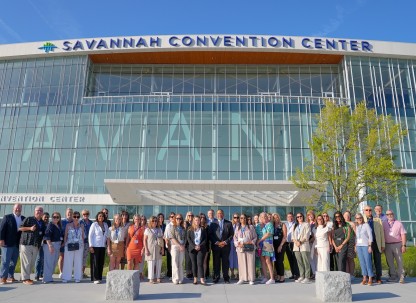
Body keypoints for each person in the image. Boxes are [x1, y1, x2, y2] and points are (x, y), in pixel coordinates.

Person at [19, 206, 46, 285]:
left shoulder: (42, 222)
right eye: (37, 210)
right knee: (26, 262)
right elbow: (20, 228)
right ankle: (25, 279)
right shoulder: (29, 219)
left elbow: (43, 234)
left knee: (31, 262)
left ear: (42, 213)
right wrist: (30, 228)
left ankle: (24, 277)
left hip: (36, 245)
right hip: (26, 243)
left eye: (41, 211)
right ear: (34, 212)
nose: (39, 212)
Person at [0, 203, 24, 284]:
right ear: (13, 209)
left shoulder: (23, 218)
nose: (18, 209)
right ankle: (3, 277)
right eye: (16, 208)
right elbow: (2, 229)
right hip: (7, 243)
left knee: (13, 261)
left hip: (17, 244)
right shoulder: (7, 217)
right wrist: (1, 239)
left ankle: (10, 277)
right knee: (5, 261)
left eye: (19, 208)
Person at [209, 209, 234, 284]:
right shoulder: (213, 223)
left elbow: (231, 235)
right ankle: (216, 277)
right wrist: (217, 242)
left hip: (225, 247)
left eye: (221, 213)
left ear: (223, 214)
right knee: (216, 262)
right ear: (216, 215)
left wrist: (225, 242)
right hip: (216, 246)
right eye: (218, 213)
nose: (220, 214)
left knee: (225, 262)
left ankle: (226, 278)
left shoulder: (229, 223)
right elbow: (210, 234)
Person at [383, 210, 407, 283]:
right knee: (390, 262)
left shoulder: (398, 223)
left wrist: (404, 245)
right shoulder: (384, 223)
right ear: (386, 216)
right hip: (387, 245)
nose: (389, 215)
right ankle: (393, 276)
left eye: (391, 214)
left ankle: (401, 277)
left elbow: (403, 234)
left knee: (399, 261)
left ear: (393, 214)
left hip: (397, 244)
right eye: (388, 214)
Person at [363, 205, 385, 284]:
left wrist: (383, 245)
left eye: (370, 210)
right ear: (364, 211)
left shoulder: (377, 220)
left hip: (376, 242)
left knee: (377, 260)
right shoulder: (361, 220)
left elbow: (382, 233)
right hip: (367, 243)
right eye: (366, 210)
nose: (368, 211)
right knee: (368, 260)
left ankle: (378, 277)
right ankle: (370, 276)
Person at [234, 213, 257, 285]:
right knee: (241, 263)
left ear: (246, 219)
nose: (242, 219)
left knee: (250, 263)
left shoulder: (251, 227)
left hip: (249, 247)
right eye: (241, 218)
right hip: (241, 248)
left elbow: (255, 237)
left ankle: (251, 279)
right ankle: (242, 278)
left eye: (244, 218)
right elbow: (235, 238)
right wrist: (237, 243)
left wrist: (251, 241)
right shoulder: (237, 228)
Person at [62, 211, 84, 283]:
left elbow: (83, 236)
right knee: (68, 261)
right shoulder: (68, 225)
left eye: (78, 217)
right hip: (69, 245)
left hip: (79, 246)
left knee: (78, 261)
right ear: (72, 217)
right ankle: (66, 277)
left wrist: (82, 244)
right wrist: (65, 244)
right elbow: (65, 236)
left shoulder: (81, 225)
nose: (76, 218)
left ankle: (77, 277)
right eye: (74, 217)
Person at [89, 211, 110, 284]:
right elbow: (90, 235)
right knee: (95, 262)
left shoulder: (105, 225)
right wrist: (91, 246)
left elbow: (107, 235)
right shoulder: (94, 224)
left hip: (102, 246)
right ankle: (95, 278)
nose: (101, 217)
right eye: (99, 216)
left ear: (104, 217)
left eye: (102, 216)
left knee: (101, 262)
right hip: (95, 246)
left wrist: (107, 246)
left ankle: (99, 277)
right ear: (97, 217)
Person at [187, 215, 207, 285]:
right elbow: (188, 239)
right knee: (194, 264)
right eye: (195, 220)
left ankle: (202, 279)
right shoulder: (190, 229)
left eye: (198, 220)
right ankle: (195, 278)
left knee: (200, 263)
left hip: (201, 248)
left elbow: (205, 239)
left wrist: (199, 246)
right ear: (193, 221)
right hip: (192, 249)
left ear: (200, 221)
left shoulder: (203, 229)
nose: (197, 221)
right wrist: (194, 246)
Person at [42, 212, 62, 284]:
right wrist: (50, 245)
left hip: (57, 245)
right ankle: (47, 279)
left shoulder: (58, 225)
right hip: (50, 245)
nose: (56, 218)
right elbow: (47, 235)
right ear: (52, 217)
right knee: (49, 262)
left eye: (57, 217)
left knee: (53, 262)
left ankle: (49, 277)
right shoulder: (50, 225)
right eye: (54, 217)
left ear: (59, 218)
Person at [354, 213, 374, 286]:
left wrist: (370, 246)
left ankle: (370, 278)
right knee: (362, 262)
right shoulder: (357, 226)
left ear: (362, 218)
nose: (359, 219)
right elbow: (356, 237)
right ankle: (364, 278)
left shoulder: (366, 225)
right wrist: (355, 245)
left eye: (360, 218)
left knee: (368, 262)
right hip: (359, 246)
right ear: (355, 219)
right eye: (357, 218)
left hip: (366, 246)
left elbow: (370, 236)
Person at [144, 216, 164, 283]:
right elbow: (144, 240)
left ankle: (158, 277)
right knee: (151, 264)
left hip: (158, 248)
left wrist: (162, 249)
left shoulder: (159, 229)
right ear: (150, 222)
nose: (155, 222)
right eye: (153, 221)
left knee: (158, 262)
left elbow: (161, 240)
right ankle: (151, 278)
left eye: (156, 221)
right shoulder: (147, 230)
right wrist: (146, 249)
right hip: (150, 248)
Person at [292, 212, 311, 284]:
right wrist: (296, 242)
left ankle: (307, 277)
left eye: (300, 216)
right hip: (296, 246)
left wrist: (300, 241)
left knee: (306, 261)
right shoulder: (295, 225)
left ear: (303, 217)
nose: (299, 218)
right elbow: (292, 236)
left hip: (304, 245)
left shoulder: (306, 224)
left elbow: (307, 235)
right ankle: (302, 276)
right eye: (297, 217)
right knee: (299, 262)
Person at [257, 212, 275, 284]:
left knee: (268, 261)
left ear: (267, 217)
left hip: (267, 243)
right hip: (261, 244)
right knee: (263, 261)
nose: (264, 218)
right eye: (262, 217)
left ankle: (272, 278)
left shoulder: (269, 224)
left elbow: (268, 234)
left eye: (265, 217)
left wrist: (259, 240)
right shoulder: (262, 225)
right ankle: (265, 277)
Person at [168, 213, 186, 284]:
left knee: (180, 263)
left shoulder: (183, 228)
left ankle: (181, 278)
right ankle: (175, 278)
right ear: (175, 219)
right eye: (177, 218)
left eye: (180, 218)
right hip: (175, 246)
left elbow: (185, 238)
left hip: (182, 246)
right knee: (175, 262)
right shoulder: (172, 227)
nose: (179, 220)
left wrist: (183, 245)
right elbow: (172, 238)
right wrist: (179, 245)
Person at [35, 212, 50, 281]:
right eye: (45, 217)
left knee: (45, 260)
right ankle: (37, 275)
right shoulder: (40, 224)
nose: (46, 218)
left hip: (47, 245)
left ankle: (42, 274)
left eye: (47, 217)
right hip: (40, 244)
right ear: (42, 217)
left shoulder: (49, 225)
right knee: (39, 259)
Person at [272, 213, 287, 283]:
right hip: (274, 245)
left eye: (277, 217)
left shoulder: (283, 224)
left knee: (280, 261)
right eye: (274, 218)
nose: (276, 219)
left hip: (281, 244)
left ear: (279, 217)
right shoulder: (272, 225)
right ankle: (278, 275)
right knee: (276, 261)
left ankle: (282, 276)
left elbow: (284, 236)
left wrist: (280, 246)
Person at [58, 208, 73, 278]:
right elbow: (59, 232)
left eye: (71, 212)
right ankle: (61, 272)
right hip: (63, 242)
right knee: (62, 257)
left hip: (72, 243)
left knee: (70, 258)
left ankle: (68, 272)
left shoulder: (75, 222)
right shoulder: (62, 222)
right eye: (68, 213)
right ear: (66, 214)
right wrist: (62, 241)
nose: (69, 214)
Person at [285, 212, 299, 280]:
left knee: (295, 259)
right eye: (288, 217)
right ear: (286, 218)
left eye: (291, 216)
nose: (290, 218)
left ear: (293, 217)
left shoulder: (296, 224)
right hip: (287, 243)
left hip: (293, 243)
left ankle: (296, 274)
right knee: (290, 259)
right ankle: (293, 273)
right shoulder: (285, 224)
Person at [80, 209, 93, 277]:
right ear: (82, 215)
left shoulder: (91, 222)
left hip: (88, 242)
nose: (85, 215)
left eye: (87, 214)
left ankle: (82, 272)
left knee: (85, 257)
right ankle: (79, 272)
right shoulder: (80, 222)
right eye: (84, 214)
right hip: (81, 242)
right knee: (80, 257)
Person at [343, 210, 356, 278]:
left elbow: (356, 234)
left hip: (351, 242)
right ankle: (347, 274)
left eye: (348, 215)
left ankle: (352, 274)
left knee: (350, 258)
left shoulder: (352, 224)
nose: (347, 216)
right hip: (343, 243)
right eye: (345, 215)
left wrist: (355, 244)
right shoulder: (342, 224)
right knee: (345, 259)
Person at [163, 212, 175, 280]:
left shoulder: (177, 225)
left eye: (173, 216)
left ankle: (175, 274)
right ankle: (170, 274)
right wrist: (168, 245)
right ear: (169, 218)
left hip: (176, 246)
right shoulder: (168, 226)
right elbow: (165, 236)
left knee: (175, 261)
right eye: (171, 217)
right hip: (170, 245)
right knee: (170, 260)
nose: (172, 218)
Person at [199, 213, 210, 280]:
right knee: (199, 261)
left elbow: (209, 238)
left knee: (204, 261)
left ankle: (204, 275)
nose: (202, 219)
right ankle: (199, 275)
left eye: (204, 218)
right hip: (197, 246)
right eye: (201, 217)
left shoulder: (207, 227)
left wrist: (209, 247)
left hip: (205, 246)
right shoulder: (196, 226)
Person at [229, 213, 240, 280]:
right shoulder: (230, 225)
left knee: (238, 258)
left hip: (239, 244)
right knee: (231, 258)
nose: (236, 219)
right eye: (235, 217)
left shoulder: (241, 225)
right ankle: (232, 273)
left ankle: (238, 273)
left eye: (237, 217)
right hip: (231, 243)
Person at [306, 210, 317, 279]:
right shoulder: (307, 223)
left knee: (316, 258)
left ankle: (317, 272)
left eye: (311, 215)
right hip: (308, 243)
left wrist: (311, 240)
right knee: (311, 258)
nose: (310, 216)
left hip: (314, 242)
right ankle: (313, 272)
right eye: (308, 215)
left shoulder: (316, 223)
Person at [184, 211, 194, 279]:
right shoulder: (185, 223)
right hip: (186, 244)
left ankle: (193, 272)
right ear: (187, 216)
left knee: (192, 259)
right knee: (187, 259)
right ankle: (188, 273)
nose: (190, 217)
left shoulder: (194, 223)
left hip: (193, 244)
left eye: (191, 215)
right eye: (189, 215)